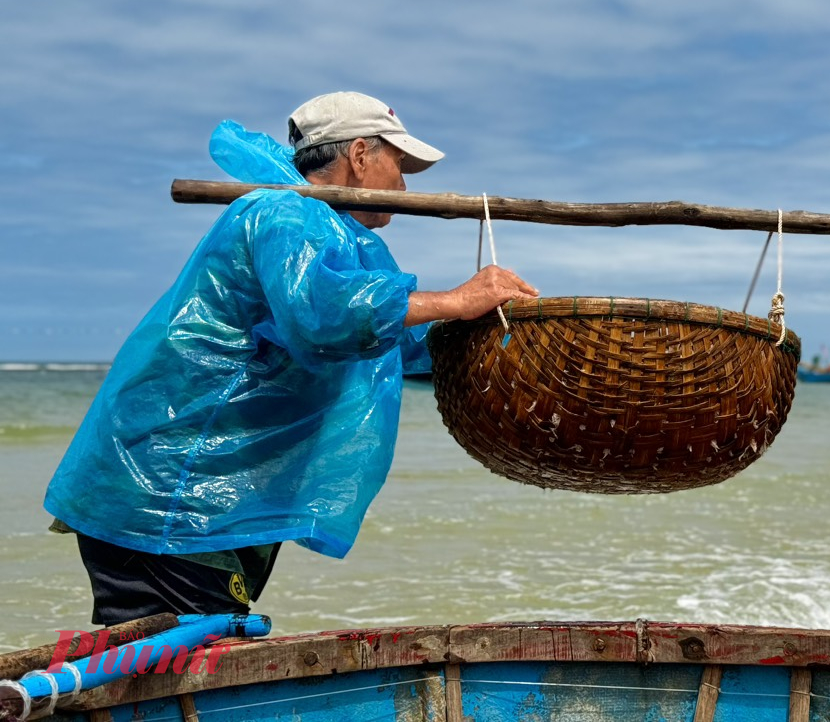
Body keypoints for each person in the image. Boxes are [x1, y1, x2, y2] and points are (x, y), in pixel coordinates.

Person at [45, 92, 538, 625]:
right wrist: (455, 300)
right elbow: (323, 315)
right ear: (359, 154)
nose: (404, 185)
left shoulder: (325, 232)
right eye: (400, 164)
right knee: (190, 654)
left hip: (185, 503)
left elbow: (387, 343)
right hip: (170, 494)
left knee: (172, 654)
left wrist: (498, 340)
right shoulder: (286, 213)